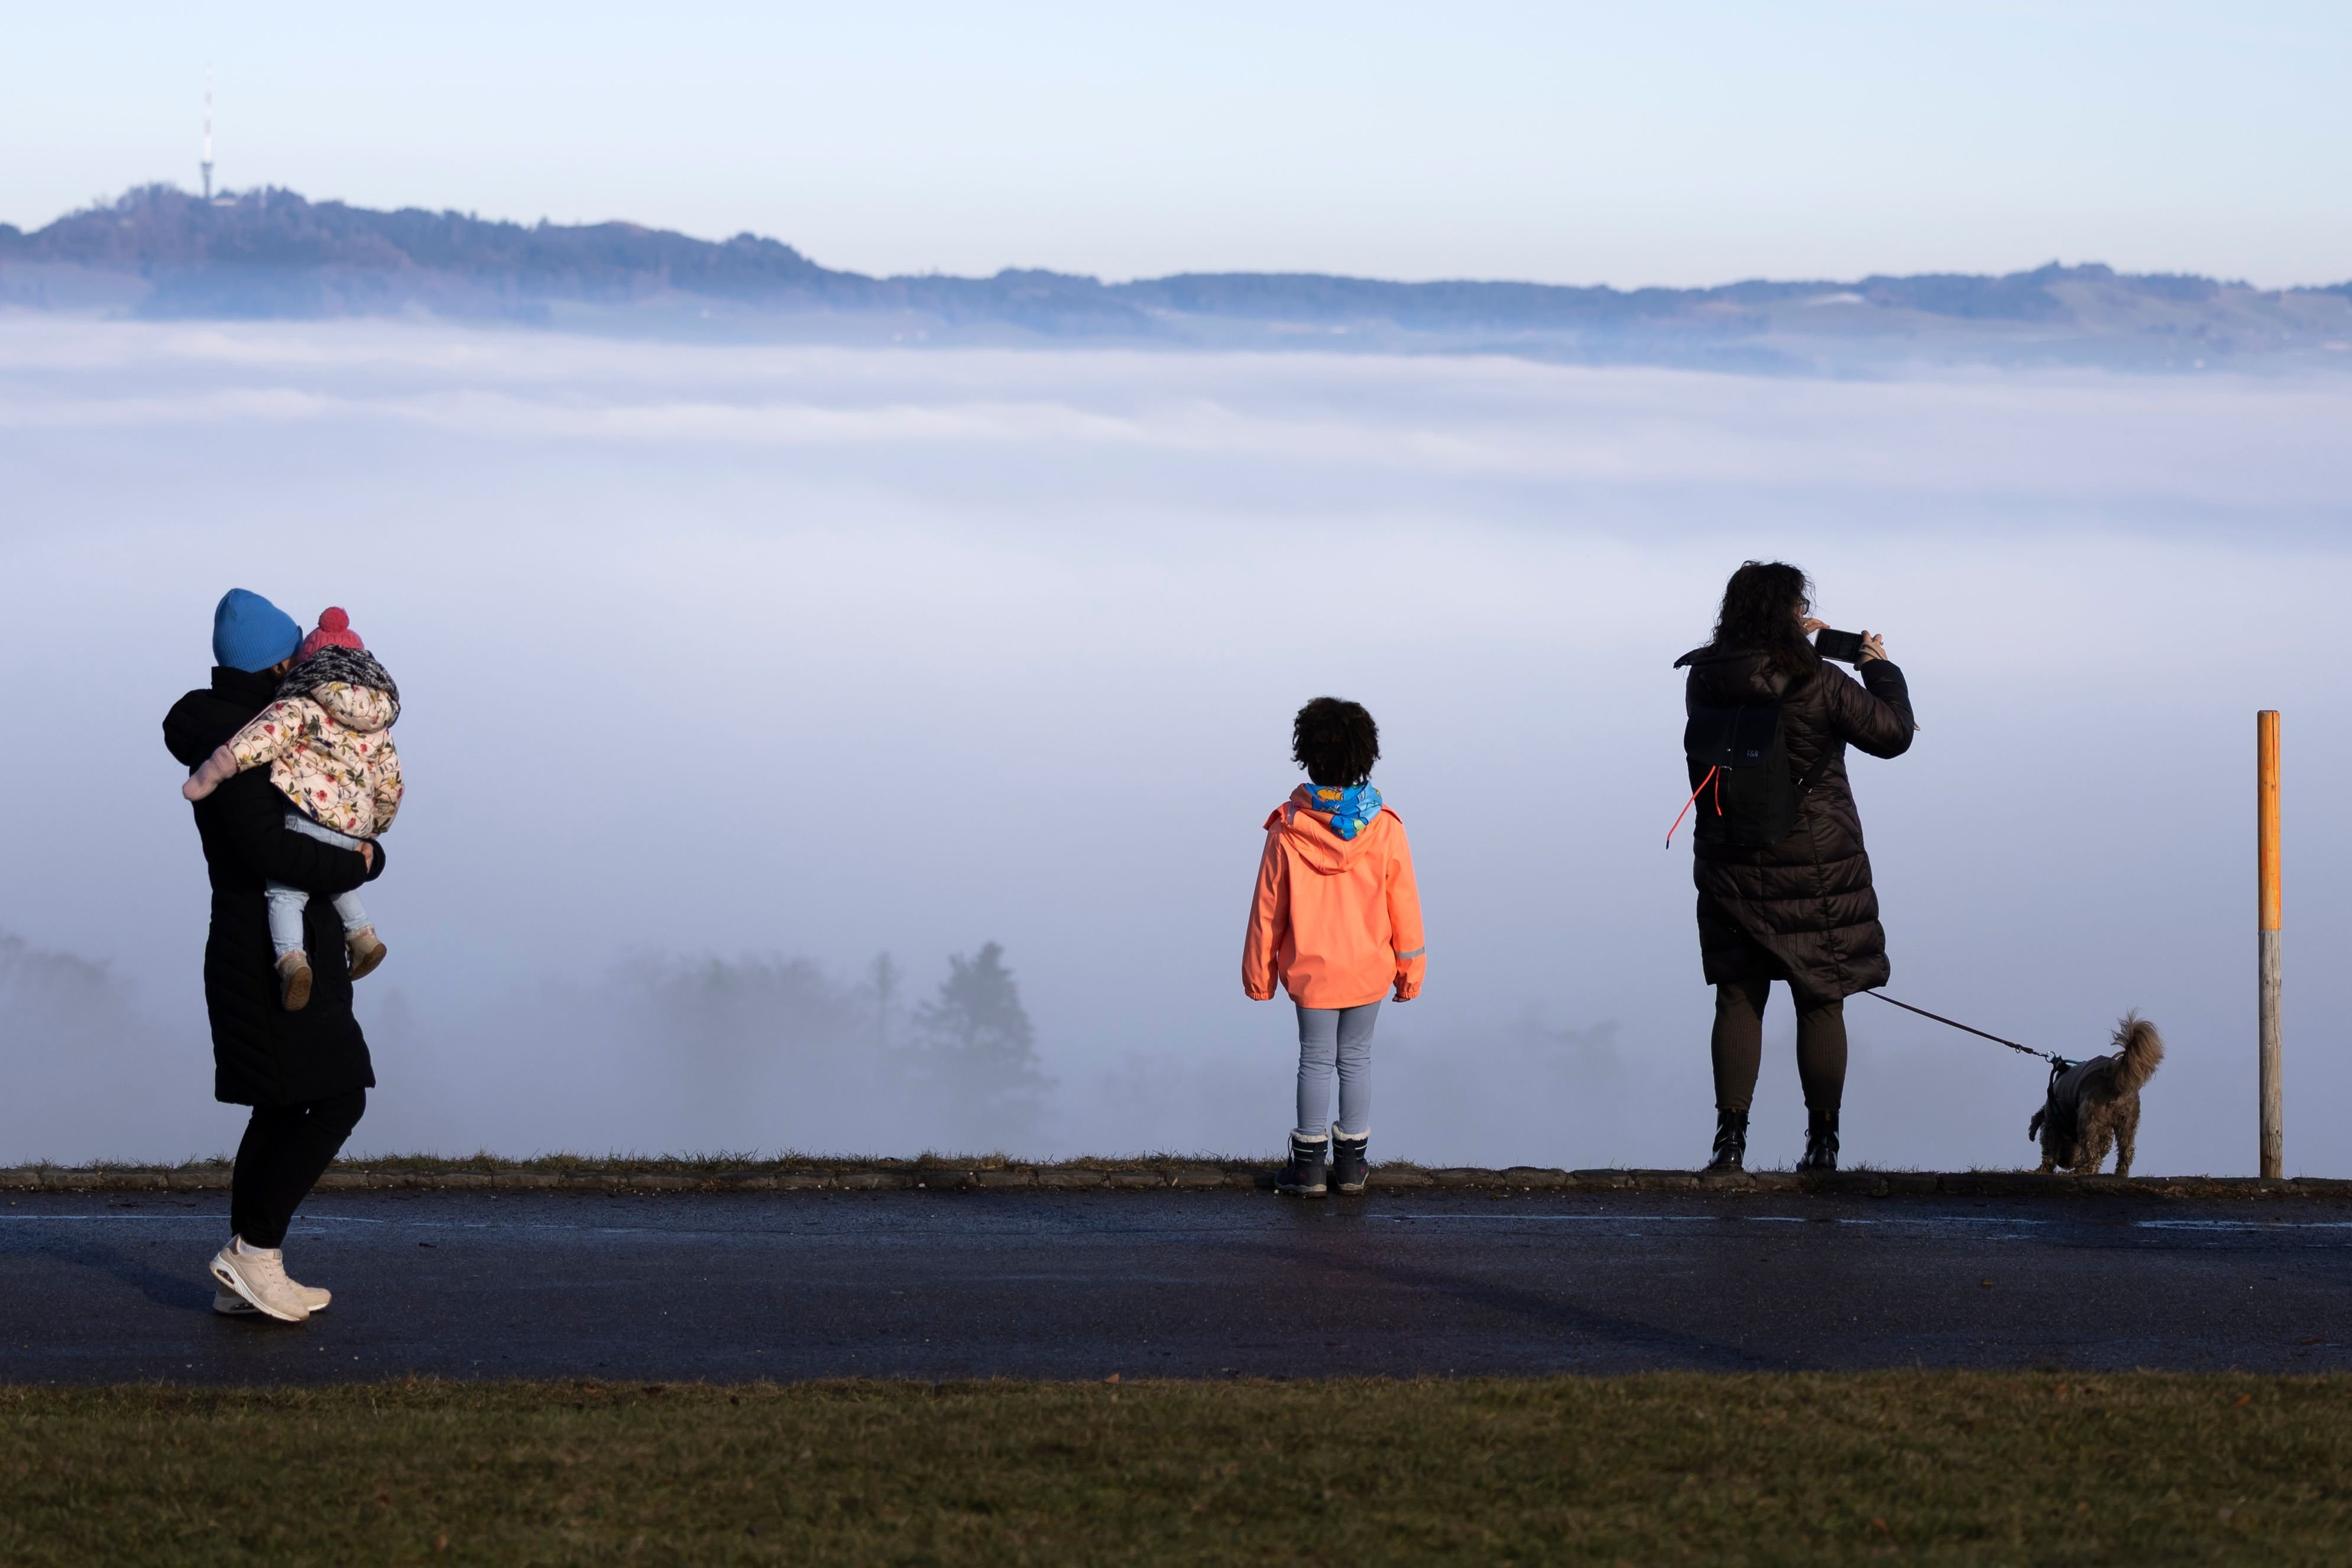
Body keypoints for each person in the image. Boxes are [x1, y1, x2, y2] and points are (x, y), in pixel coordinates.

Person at [163, 589, 388, 1323]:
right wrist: (360, 863)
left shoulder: (251, 731)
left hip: (274, 942)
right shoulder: (240, 740)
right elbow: (269, 848)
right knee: (337, 1098)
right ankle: (254, 1254)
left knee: (285, 1105)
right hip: (265, 949)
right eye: (295, 656)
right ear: (275, 666)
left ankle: (249, 1270)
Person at [1675, 562, 1914, 1173]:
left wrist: (1782, 641)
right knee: (1821, 997)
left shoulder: (1704, 676)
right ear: (1790, 612)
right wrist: (1877, 667)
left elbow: (1754, 684)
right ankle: (1823, 1146)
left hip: (1731, 857)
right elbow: (1892, 734)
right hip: (1815, 867)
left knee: (1738, 997)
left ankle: (1729, 1144)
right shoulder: (1817, 679)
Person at [1242, 697, 1426, 1198]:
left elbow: (1267, 908)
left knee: (1316, 1059)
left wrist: (1259, 976)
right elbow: (1405, 908)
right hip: (1368, 967)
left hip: (1312, 970)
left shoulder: (1286, 827)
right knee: (1357, 1059)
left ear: (1308, 754)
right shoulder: (1386, 827)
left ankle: (1307, 1171)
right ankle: (1350, 1168)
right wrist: (1409, 974)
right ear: (1366, 754)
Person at [182, 607, 403, 1010]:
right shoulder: (238, 729)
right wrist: (368, 844)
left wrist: (369, 856)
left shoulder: (293, 711)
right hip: (260, 978)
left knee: (287, 896)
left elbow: (258, 748)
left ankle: (301, 957)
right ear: (279, 664)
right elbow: (273, 850)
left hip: (302, 956)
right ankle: (348, 940)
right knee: (293, 890)